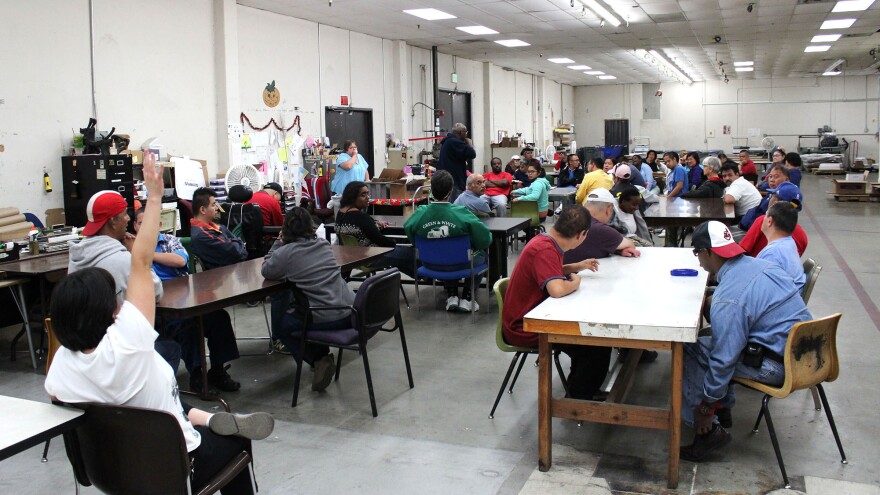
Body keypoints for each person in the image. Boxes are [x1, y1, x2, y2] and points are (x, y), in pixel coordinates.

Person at [46, 156, 273, 495]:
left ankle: (205, 418)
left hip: (111, 470)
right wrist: (154, 198)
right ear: (110, 312)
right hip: (173, 463)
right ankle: (211, 425)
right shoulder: (129, 343)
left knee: (156, 397)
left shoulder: (59, 369)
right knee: (236, 442)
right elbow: (140, 263)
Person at [681, 221, 811, 462]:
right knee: (717, 341)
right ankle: (725, 408)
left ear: (708, 252)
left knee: (691, 345)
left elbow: (724, 358)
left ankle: (706, 428)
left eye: (696, 253)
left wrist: (706, 405)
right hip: (808, 356)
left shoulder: (729, 298)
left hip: (779, 367)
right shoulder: (764, 266)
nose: (697, 260)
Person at [502, 204, 611, 400]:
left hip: (531, 317)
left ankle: (578, 389)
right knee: (596, 343)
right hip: (524, 328)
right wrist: (575, 283)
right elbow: (557, 290)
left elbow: (550, 270)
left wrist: (575, 266)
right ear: (581, 234)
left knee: (590, 341)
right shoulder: (544, 249)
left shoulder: (546, 241)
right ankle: (578, 399)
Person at [67, 190, 179, 371]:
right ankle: (162, 397)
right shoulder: (122, 259)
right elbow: (156, 292)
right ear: (113, 221)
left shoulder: (77, 256)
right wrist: (136, 256)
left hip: (86, 348)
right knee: (173, 345)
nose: (128, 219)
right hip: (118, 350)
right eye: (125, 214)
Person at [133, 209, 242, 393]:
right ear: (135, 226)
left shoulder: (169, 241)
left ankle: (217, 369)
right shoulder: (130, 246)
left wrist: (147, 255)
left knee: (218, 317)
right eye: (141, 223)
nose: (145, 228)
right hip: (157, 307)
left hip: (184, 296)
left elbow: (180, 260)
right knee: (188, 323)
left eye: (150, 223)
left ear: (159, 225)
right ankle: (197, 374)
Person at [262, 207, 355, 392]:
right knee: (305, 313)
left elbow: (267, 269)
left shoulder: (286, 253)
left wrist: (278, 242)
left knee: (283, 327)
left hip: (325, 316)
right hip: (349, 310)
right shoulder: (323, 244)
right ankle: (322, 358)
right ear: (310, 227)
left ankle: (317, 360)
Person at [404, 170, 492, 313]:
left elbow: (408, 229)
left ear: (431, 190)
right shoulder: (461, 213)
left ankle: (452, 296)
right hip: (461, 264)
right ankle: (467, 298)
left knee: (444, 253)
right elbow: (485, 238)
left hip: (430, 264)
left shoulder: (420, 212)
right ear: (451, 190)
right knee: (482, 255)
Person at [333, 181, 416, 277]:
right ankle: (423, 276)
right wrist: (394, 242)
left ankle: (420, 276)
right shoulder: (361, 217)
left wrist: (373, 223)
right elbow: (381, 241)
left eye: (368, 193)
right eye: (363, 195)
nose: (368, 197)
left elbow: (359, 222)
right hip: (370, 258)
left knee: (400, 259)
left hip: (352, 257)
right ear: (353, 197)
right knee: (411, 253)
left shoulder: (341, 213)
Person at [564, 188, 640, 262]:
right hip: (578, 274)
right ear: (609, 209)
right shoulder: (600, 229)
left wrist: (618, 251)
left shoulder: (569, 219)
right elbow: (630, 245)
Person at [739, 183, 809, 257]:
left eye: (772, 195)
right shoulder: (802, 236)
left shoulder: (764, 221)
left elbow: (742, 250)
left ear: (775, 202)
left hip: (755, 267)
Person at [190, 187, 248, 270]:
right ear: (203, 210)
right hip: (221, 277)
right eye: (213, 205)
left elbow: (240, 250)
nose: (217, 208)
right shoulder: (202, 236)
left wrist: (237, 244)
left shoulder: (218, 227)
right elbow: (238, 253)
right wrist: (239, 243)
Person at [757, 202, 806, 292]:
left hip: (779, 303)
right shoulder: (789, 243)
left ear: (769, 221)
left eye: (765, 215)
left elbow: (760, 290)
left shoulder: (772, 254)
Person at [739, 166, 790, 231]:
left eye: (776, 177)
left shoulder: (782, 198)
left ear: (786, 180)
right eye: (770, 176)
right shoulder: (771, 193)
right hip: (747, 224)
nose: (771, 180)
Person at [438, 123, 476, 199]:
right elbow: (472, 154)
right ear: (461, 132)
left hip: (447, 180)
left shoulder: (447, 141)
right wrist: (470, 144)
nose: (466, 135)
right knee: (456, 206)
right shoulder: (455, 142)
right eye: (466, 132)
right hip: (455, 181)